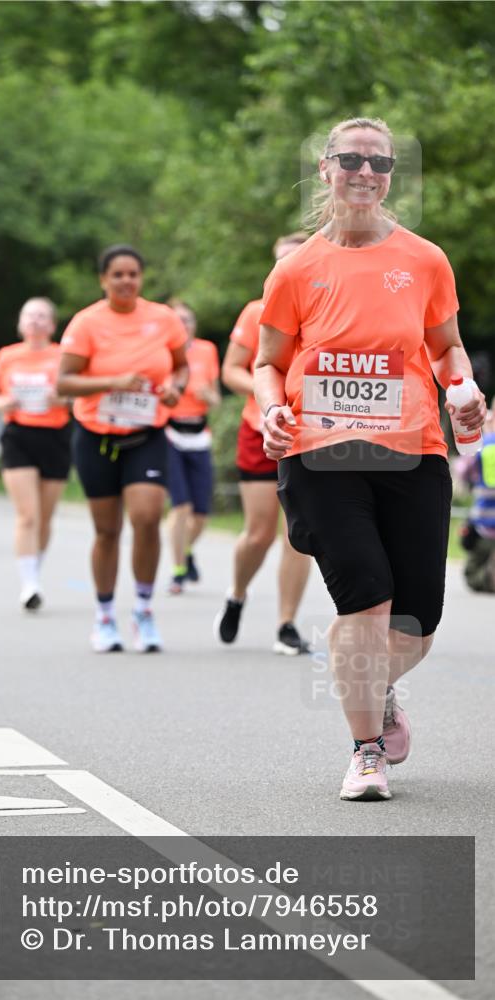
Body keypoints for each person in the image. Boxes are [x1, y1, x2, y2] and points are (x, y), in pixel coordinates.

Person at [254, 116, 487, 801]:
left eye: (378, 163)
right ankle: (364, 754)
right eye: (350, 159)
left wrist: (463, 389)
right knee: (363, 594)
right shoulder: (295, 269)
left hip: (410, 449)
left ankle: (376, 688)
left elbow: (444, 348)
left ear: (390, 176)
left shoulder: (424, 260)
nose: (364, 172)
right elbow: (269, 362)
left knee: (414, 622)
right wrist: (272, 408)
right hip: (320, 451)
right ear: (325, 168)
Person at [58, 244, 188, 652]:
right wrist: (110, 382)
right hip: (96, 435)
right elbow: (64, 382)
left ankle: (144, 611)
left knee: (147, 518)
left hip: (145, 434)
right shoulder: (86, 323)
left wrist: (175, 388)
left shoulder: (163, 319)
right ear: (103, 280)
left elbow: (181, 365)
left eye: (133, 274)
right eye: (118, 274)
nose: (126, 281)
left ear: (141, 278)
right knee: (107, 530)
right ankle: (104, 615)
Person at [216, 233, 313, 655]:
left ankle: (286, 624)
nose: (284, 270)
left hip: (311, 434)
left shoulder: (326, 311)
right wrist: (268, 395)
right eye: (278, 262)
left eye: (293, 261)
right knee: (259, 534)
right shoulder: (257, 311)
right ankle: (237, 593)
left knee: (300, 534)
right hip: (260, 431)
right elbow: (232, 370)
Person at [0, 298, 71, 611]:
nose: (35, 321)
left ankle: (35, 568)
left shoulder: (63, 355)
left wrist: (60, 398)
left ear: (51, 324)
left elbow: (78, 394)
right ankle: (29, 584)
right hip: (18, 435)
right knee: (28, 515)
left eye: (42, 316)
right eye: (30, 316)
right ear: (21, 324)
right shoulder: (7, 356)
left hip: (55, 436)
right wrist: (1, 404)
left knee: (46, 517)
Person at [165, 300, 221, 594]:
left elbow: (217, 399)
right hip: (169, 433)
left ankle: (185, 551)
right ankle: (177, 571)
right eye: (178, 320)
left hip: (199, 433)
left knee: (200, 514)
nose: (183, 325)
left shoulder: (207, 350)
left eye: (188, 320)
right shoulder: (160, 351)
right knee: (181, 506)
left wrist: (206, 394)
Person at [458, 398, 495, 593]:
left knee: (471, 576)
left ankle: (487, 577)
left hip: (485, 524)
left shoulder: (485, 444)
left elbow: (463, 470)